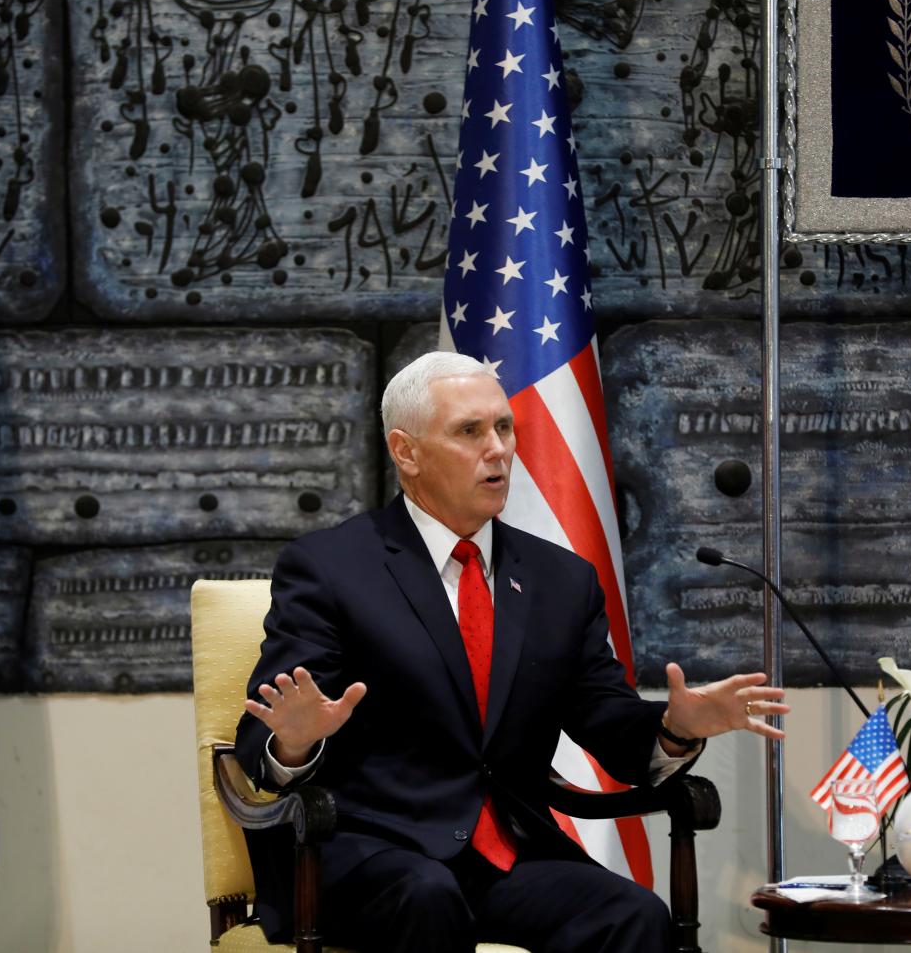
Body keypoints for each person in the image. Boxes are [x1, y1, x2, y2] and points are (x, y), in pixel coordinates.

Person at [235, 351, 789, 952]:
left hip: (507, 854)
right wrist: (295, 739)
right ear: (407, 451)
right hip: (371, 854)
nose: (497, 449)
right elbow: (262, 740)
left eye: (503, 427)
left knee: (632, 915)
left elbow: (605, 719)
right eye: (469, 432)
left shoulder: (561, 579)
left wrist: (674, 729)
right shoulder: (330, 568)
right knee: (427, 896)